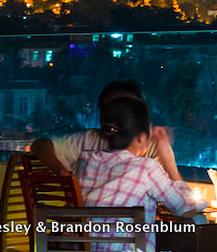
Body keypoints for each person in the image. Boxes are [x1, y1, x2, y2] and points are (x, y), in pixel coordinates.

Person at [75, 97, 201, 252]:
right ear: (141, 138)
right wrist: (166, 155)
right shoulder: (146, 168)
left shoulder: (84, 160)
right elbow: (185, 208)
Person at [31, 80, 162, 175]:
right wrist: (61, 173)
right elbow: (41, 145)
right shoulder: (90, 140)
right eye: (111, 108)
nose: (118, 113)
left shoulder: (152, 145)